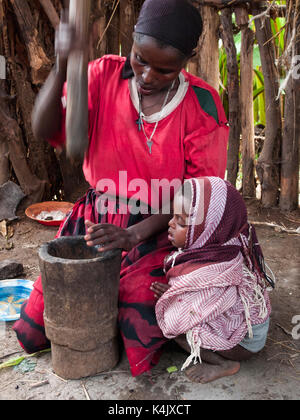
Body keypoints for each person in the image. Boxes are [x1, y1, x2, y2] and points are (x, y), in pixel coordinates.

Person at [13, 0, 229, 377]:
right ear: (132, 42)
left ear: (188, 60)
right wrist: (64, 64)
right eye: (140, 59)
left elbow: (196, 195)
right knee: (36, 329)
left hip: (161, 228)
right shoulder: (100, 75)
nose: (146, 75)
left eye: (164, 70)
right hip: (96, 222)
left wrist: (136, 233)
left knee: (137, 310)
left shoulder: (201, 105)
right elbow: (46, 129)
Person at [151, 177, 273, 383]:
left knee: (173, 326)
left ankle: (224, 364)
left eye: (180, 222)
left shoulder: (213, 270)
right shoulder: (223, 245)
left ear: (208, 228)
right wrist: (178, 296)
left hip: (245, 343)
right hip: (247, 327)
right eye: (173, 216)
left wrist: (174, 301)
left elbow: (195, 312)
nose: (170, 224)